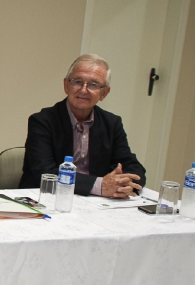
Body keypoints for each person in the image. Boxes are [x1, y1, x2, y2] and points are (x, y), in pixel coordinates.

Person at [19, 54, 145, 197]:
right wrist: (100, 186)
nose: (84, 90)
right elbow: (45, 173)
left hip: (95, 202)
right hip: (47, 198)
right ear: (66, 85)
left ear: (104, 93)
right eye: (77, 82)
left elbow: (131, 165)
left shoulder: (112, 123)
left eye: (93, 84)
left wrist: (123, 185)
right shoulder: (42, 121)